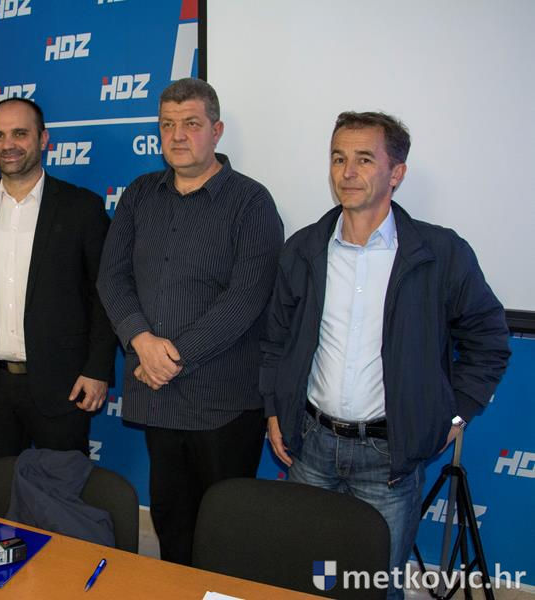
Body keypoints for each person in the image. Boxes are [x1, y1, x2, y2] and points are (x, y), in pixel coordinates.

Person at [261, 111, 510, 599]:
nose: (347, 172)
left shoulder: (440, 253)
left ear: (396, 173)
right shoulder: (304, 249)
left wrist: (454, 413)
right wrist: (274, 409)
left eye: (364, 159)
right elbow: (275, 339)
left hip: (389, 457)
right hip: (311, 446)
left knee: (374, 585)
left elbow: (489, 339)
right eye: (338, 158)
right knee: (305, 577)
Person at [96, 78, 283, 566]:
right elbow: (112, 277)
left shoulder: (252, 202)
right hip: (158, 395)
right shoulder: (139, 194)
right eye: (167, 125)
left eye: (191, 124)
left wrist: (171, 357)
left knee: (225, 527)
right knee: (171, 520)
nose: (177, 135)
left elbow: (246, 299)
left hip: (223, 400)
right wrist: (141, 340)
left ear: (216, 131)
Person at [0, 98, 116, 463]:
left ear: (43, 139)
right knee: (2, 486)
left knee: (62, 489)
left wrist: (97, 370)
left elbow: (106, 295)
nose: (7, 144)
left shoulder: (81, 207)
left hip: (63, 384)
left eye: (20, 133)